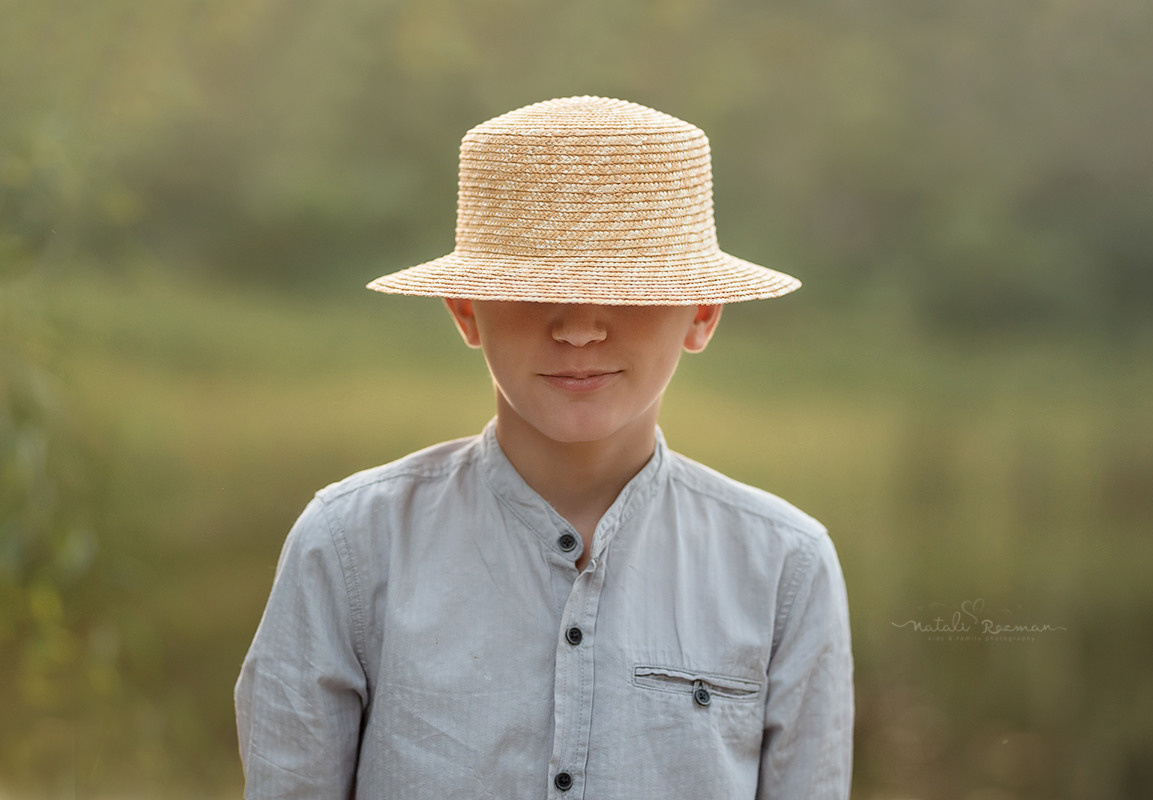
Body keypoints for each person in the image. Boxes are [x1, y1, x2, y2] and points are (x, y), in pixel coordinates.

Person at [235, 96, 853, 799]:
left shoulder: (784, 569)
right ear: (467, 309)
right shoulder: (350, 548)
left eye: (628, 287)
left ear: (703, 312)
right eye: (536, 286)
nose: (581, 327)